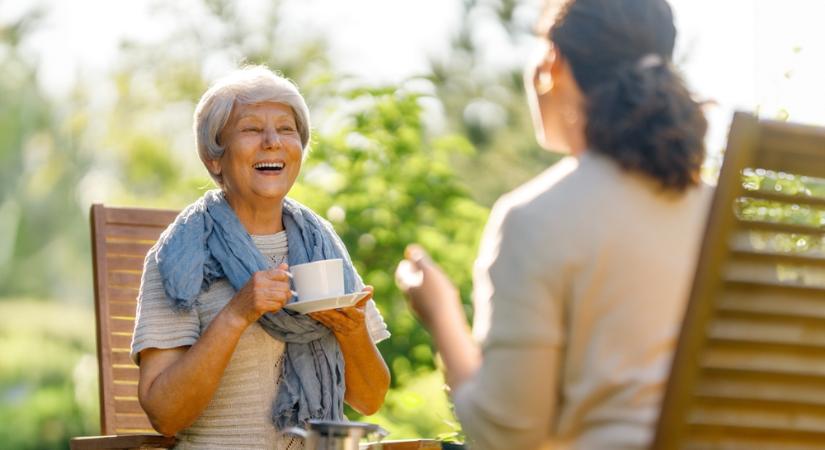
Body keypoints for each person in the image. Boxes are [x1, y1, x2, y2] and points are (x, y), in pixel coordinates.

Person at [395, 0, 713, 448]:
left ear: (552, 63)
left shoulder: (535, 218)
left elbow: (508, 435)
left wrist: (441, 312)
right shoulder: (727, 216)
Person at [131, 66, 391, 450]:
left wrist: (351, 332)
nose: (272, 141)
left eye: (286, 130)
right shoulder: (181, 255)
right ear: (214, 158)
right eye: (251, 129)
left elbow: (369, 400)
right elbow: (165, 416)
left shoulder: (322, 244)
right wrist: (237, 313)